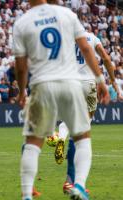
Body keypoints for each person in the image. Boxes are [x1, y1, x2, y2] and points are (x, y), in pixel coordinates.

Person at [13, 1, 110, 200]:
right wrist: (101, 79)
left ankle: (26, 195)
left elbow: (21, 67)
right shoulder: (67, 14)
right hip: (71, 83)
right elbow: (85, 48)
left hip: (42, 85)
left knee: (32, 143)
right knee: (82, 138)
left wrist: (22, 92)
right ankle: (79, 186)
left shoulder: (22, 22)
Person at [52, 27, 120, 193]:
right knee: (83, 128)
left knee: (68, 121)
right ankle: (75, 182)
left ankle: (61, 136)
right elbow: (105, 57)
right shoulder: (92, 38)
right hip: (88, 84)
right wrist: (112, 80)